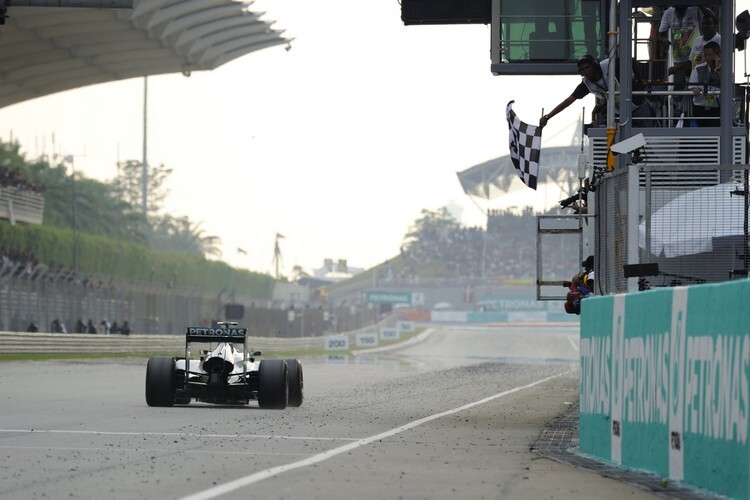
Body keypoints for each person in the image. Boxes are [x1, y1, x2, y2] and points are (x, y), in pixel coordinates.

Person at [539, 55, 654, 129]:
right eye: (583, 69)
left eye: (587, 67)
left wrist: (640, 82)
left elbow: (631, 60)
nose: (586, 71)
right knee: (619, 136)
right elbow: (568, 101)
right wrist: (548, 117)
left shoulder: (609, 65)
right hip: (620, 112)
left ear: (594, 66)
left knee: (649, 133)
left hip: (638, 105)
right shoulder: (586, 85)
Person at [658, 5, 704, 85]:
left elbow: (711, 17)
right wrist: (664, 39)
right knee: (678, 86)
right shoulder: (668, 13)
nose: (680, 11)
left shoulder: (695, 9)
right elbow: (661, 34)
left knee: (697, 83)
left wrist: (699, 4)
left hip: (695, 53)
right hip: (679, 56)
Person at [688, 41, 721, 127]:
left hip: (717, 108)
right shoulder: (698, 69)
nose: (707, 58)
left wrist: (718, 69)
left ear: (718, 55)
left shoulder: (726, 69)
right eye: (705, 55)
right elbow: (692, 86)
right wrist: (694, 89)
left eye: (710, 55)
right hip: (700, 108)